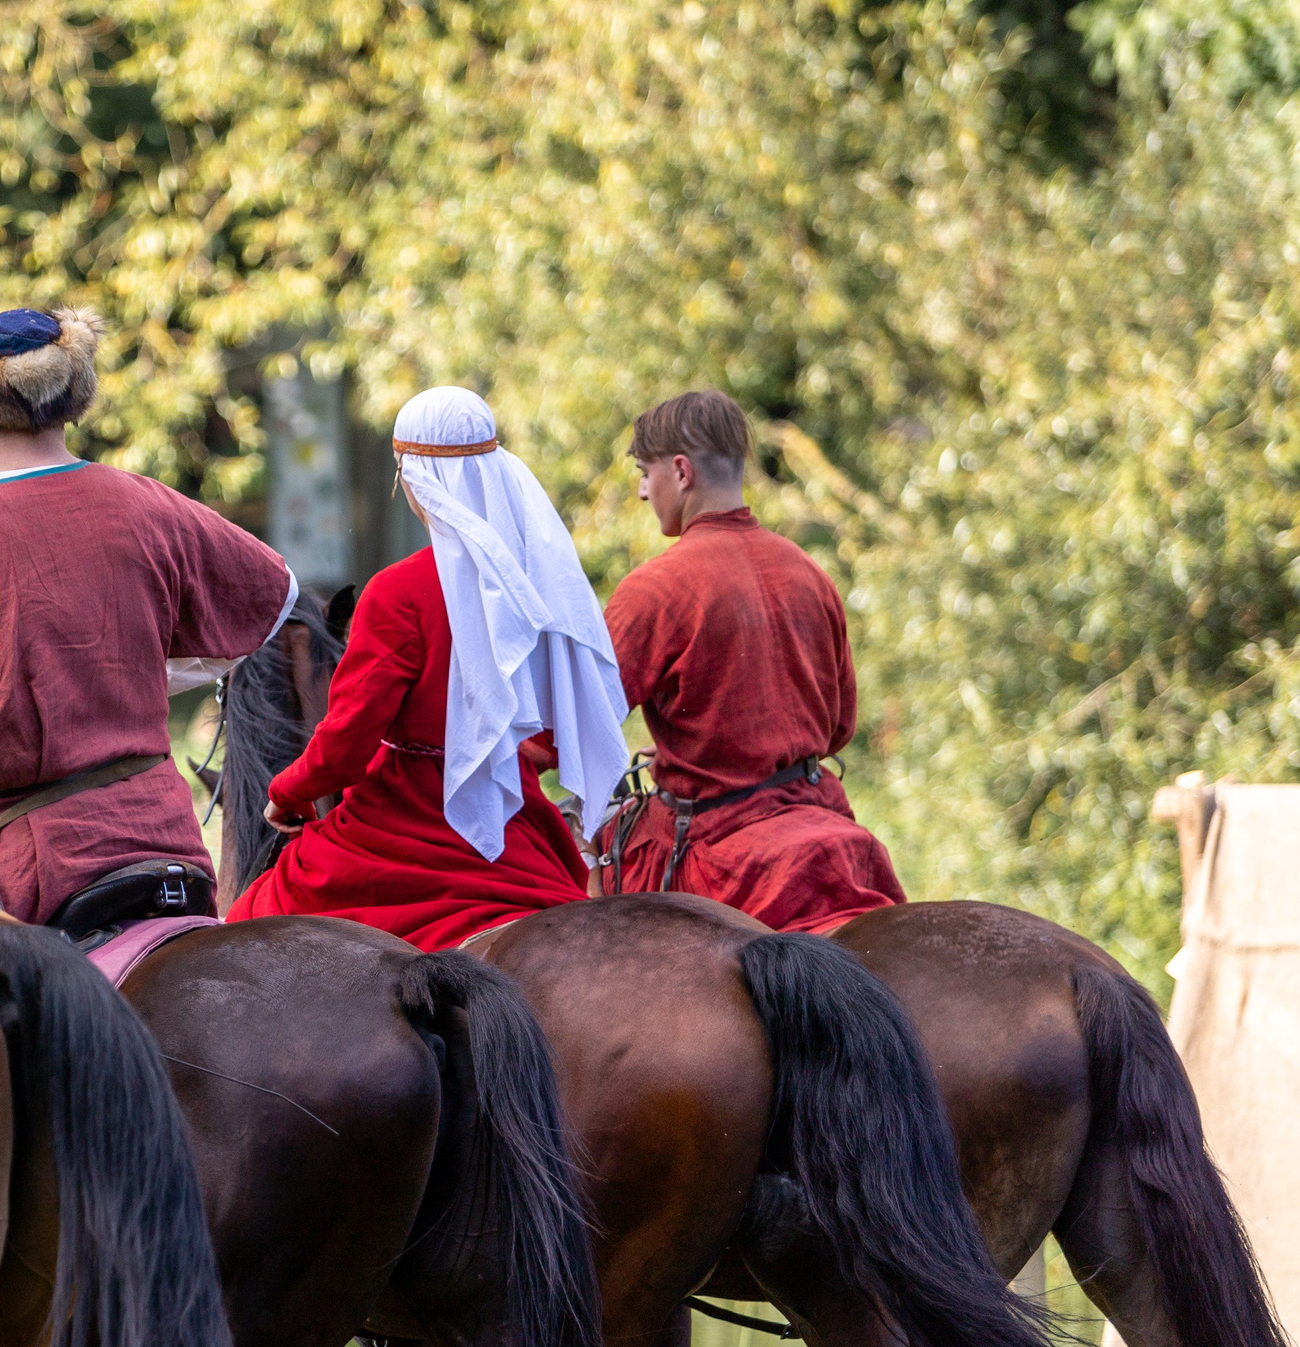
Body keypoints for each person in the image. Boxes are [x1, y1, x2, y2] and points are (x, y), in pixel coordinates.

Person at [0, 307, 297, 924]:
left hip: (32, 868)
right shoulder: (149, 505)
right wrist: (132, 672)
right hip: (170, 841)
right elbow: (276, 598)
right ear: (72, 396)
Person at [226, 386, 629, 950]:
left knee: (251, 922)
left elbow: (348, 738)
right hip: (514, 816)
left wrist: (289, 790)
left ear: (417, 480)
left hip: (400, 825)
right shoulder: (539, 585)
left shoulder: (398, 591)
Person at [597, 388, 903, 932]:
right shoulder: (809, 573)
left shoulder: (656, 590)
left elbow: (573, 727)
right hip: (821, 820)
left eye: (646, 473)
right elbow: (837, 727)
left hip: (716, 853)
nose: (643, 492)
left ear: (682, 472)